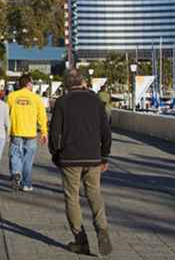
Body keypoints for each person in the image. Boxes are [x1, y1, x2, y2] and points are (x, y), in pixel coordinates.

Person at [49, 68, 113, 257]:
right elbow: (106, 132)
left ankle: (80, 240)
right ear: (83, 82)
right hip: (93, 157)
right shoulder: (96, 101)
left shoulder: (62, 102)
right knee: (94, 193)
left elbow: (54, 133)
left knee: (72, 197)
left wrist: (56, 154)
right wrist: (104, 156)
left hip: (70, 157)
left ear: (67, 85)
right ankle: (102, 228)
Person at [6, 74, 48, 192]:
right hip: (31, 133)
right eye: (32, 83)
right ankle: (26, 184)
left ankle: (16, 173)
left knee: (15, 154)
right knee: (28, 159)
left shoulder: (11, 96)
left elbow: (6, 113)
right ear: (29, 84)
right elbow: (42, 116)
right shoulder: (36, 98)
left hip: (16, 131)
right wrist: (44, 132)